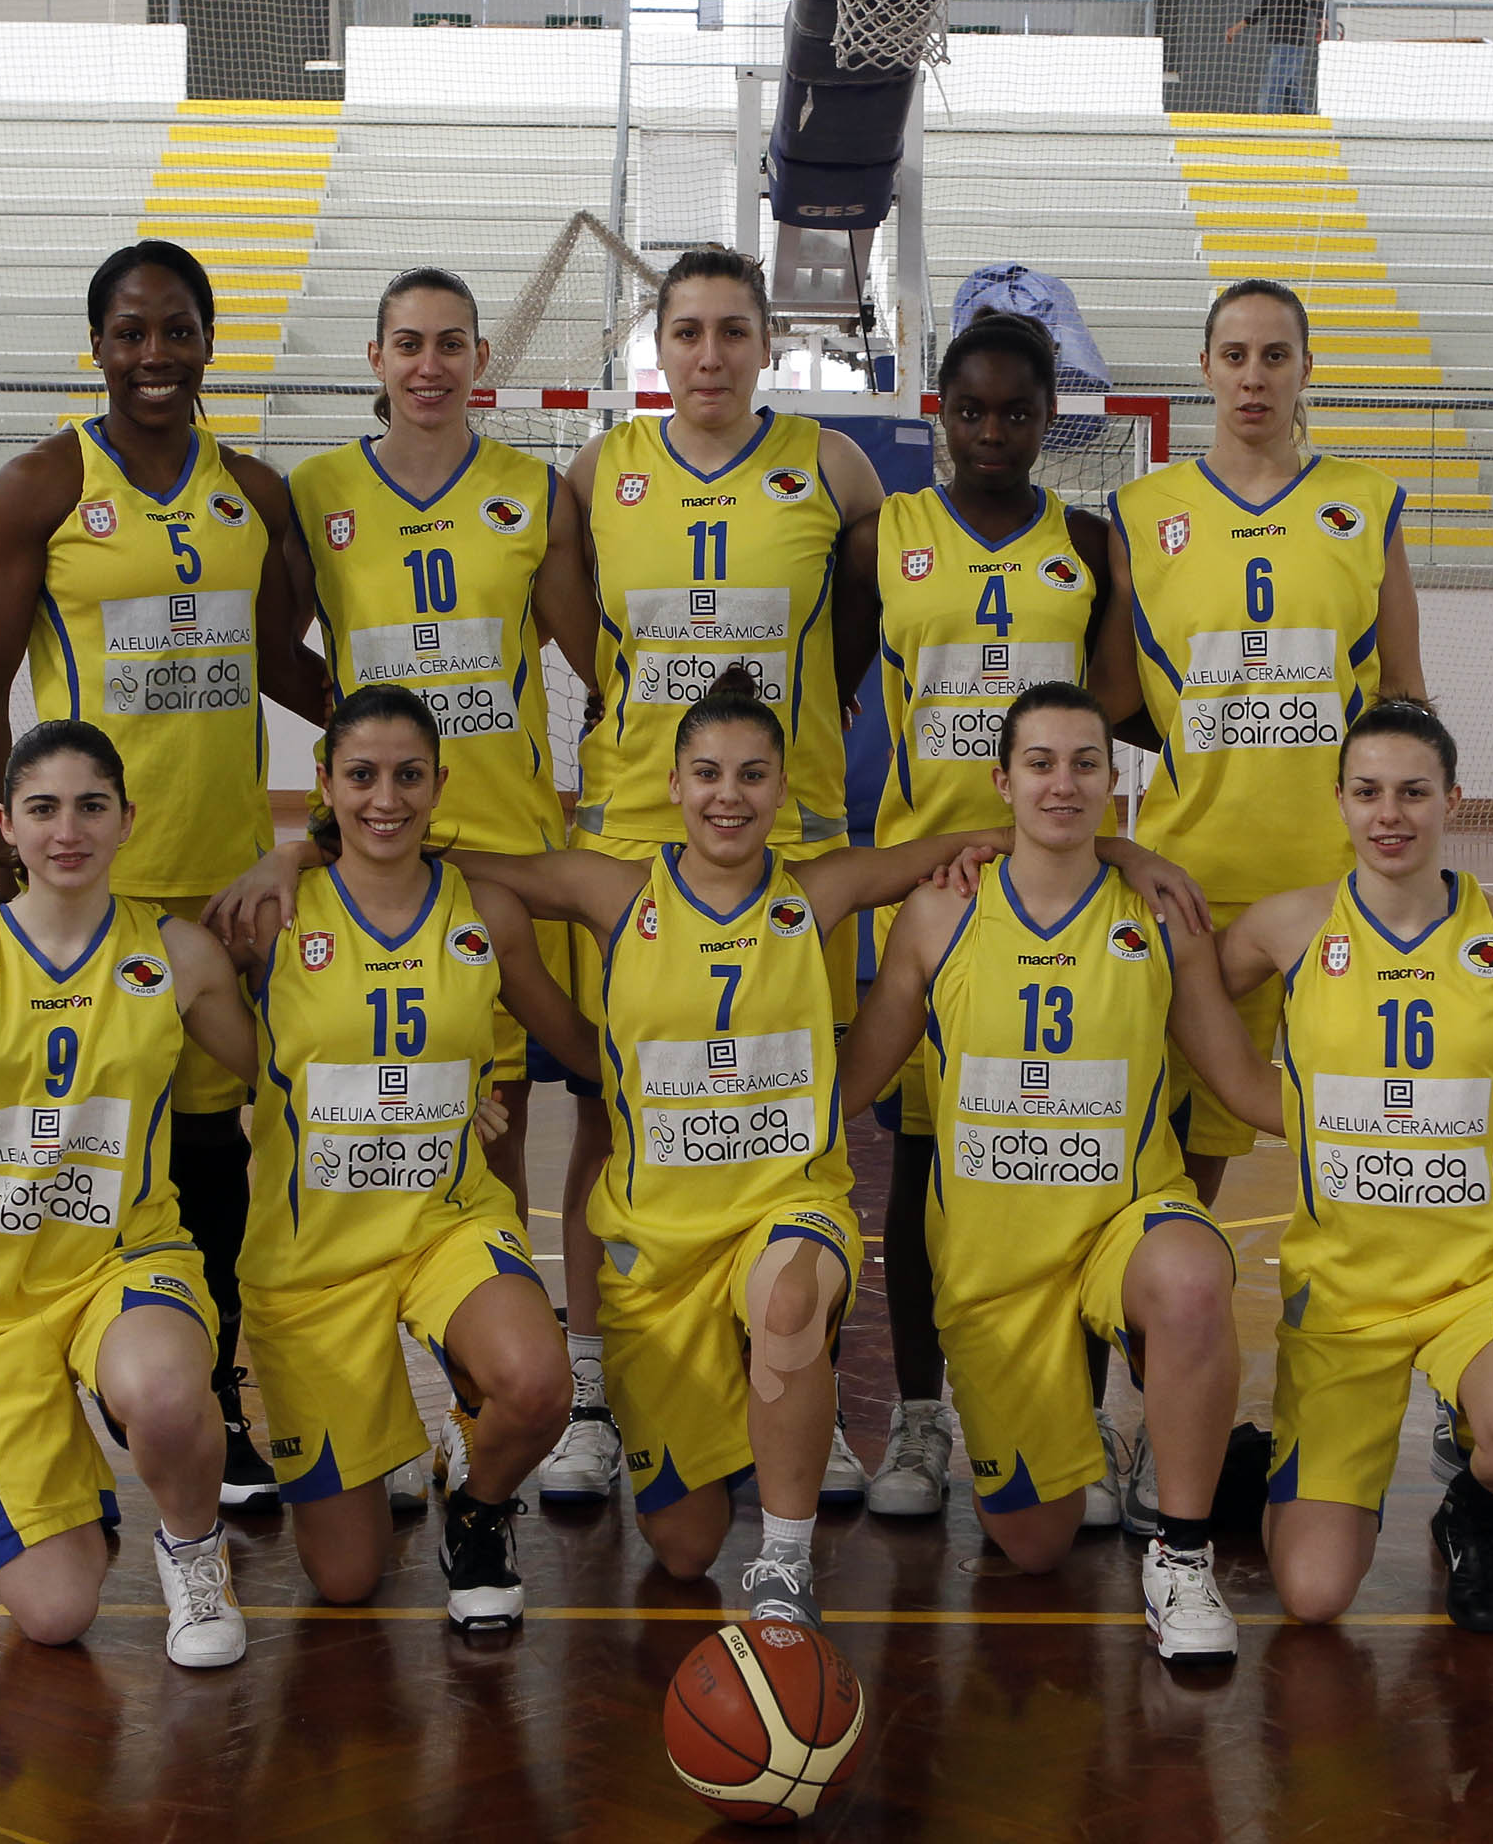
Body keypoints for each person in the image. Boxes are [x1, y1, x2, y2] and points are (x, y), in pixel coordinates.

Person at [449, 668, 1207, 1626]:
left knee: (789, 1294)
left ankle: (784, 1555)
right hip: (660, 1249)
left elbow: (988, 839)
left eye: (753, 775)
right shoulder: (616, 892)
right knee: (681, 1549)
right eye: (708, 774)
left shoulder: (818, 890)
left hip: (788, 1212)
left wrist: (1122, 850)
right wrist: (309, 862)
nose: (729, 796)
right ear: (674, 786)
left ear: (785, 790)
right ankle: (747, 1406)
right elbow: (467, 875)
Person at [0, 239, 329, 1515]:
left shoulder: (254, 492)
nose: (155, 354)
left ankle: (213, 1403)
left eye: (177, 329)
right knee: (93, 1150)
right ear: (96, 346)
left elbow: (281, 663)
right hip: (90, 891)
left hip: (224, 887)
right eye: (131, 332)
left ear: (208, 341)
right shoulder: (41, 487)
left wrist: (398, 750)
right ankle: (71, 1377)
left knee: (214, 1149)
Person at [208, 266, 590, 1514]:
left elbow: (595, 651)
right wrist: (361, 739)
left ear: (480, 358)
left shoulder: (530, 489)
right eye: (408, 343)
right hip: (370, 848)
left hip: (498, 852)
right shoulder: (319, 490)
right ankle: (355, 1390)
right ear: (374, 358)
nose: (430, 364)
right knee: (345, 1120)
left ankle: (486, 1414)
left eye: (451, 344)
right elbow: (271, 640)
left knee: (490, 1129)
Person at [525, 247, 890, 1510]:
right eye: (688, 331)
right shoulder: (600, 470)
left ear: (768, 343)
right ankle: (591, 1389)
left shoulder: (832, 467)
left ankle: (801, 1388)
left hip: (789, 822)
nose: (711, 354)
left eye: (736, 330)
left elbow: (859, 614)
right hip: (641, 818)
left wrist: (817, 705)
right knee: (615, 1105)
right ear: (659, 345)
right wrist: (627, 701)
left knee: (801, 1102)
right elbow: (577, 616)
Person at [839, 684, 1274, 1662]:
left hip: (1124, 1224)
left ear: (1114, 780)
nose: (1064, 783)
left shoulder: (1157, 914)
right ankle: (1086, 1438)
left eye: (1086, 763)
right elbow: (852, 1080)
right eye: (1040, 763)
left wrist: (1394, 1118)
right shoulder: (939, 914)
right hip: (994, 1268)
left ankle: (1182, 1556)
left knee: (1193, 1278)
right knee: (1035, 1543)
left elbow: (1244, 1082)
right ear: (1004, 782)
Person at [1216, 699, 1493, 1633]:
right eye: (1367, 792)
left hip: (1480, 1278)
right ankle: (1257, 1465)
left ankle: (1470, 1514)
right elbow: (1171, 990)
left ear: (1453, 800)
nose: (1389, 814)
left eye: (1412, 791)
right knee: (1313, 1597)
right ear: (1339, 800)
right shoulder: (1289, 927)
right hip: (1342, 1296)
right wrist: (1273, 1104)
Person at [207, 686, 600, 1630]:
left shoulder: (485, 913)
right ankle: (380, 1445)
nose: (386, 799)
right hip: (312, 1257)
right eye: (362, 776)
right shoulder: (270, 915)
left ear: (439, 783)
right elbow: (124, 943)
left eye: (408, 776)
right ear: (325, 783)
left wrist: (703, 1067)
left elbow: (583, 1052)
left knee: (538, 1382)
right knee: (347, 1578)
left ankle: (479, 1511)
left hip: (444, 1223)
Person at [0, 720, 259, 1667]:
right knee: (55, 1615)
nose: (68, 830)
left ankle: (194, 1553)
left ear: (128, 819)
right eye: (43, 809)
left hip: (125, 1263)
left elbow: (288, 1078)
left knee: (162, 1395)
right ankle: (67, 1475)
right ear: (6, 825)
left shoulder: (177, 955)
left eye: (92, 806)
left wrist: (457, 1100)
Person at [835, 312, 1121, 1523]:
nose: (992, 431)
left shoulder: (1090, 545)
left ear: (1050, 415)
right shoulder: (884, 541)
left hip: (1062, 890)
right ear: (938, 413)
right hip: (935, 899)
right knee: (919, 1165)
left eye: (1016, 410)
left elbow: (1125, 709)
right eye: (970, 409)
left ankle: (1081, 1419)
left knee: (1075, 1153)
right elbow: (825, 694)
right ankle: (919, 1417)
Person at [1091, 277, 1423, 1221]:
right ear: (1204, 367)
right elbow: (1114, 702)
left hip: (1339, 883)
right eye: (1235, 356)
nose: (1254, 377)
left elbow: (1403, 693)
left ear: (1306, 369)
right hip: (1196, 880)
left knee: (1361, 1139)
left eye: (1275, 356)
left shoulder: (1365, 505)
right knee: (1183, 1159)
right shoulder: (1142, 513)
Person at [1224, 0, 1327, 114]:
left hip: (1292, 44)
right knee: (1289, 89)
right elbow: (1265, 6)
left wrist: (1321, 18)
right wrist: (1238, 27)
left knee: (1271, 89)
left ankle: (1265, 123)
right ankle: (1306, 120)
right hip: (1276, 40)